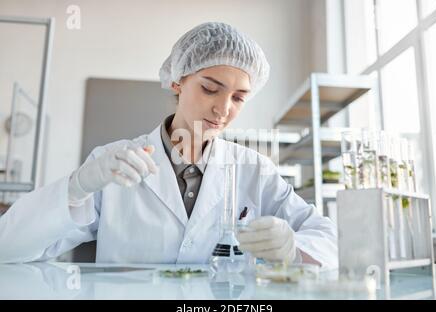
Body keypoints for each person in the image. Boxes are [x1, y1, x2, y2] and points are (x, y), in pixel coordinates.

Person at [0, 22, 337, 269]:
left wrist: (294, 249)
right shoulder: (112, 163)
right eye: (210, 88)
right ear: (178, 82)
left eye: (238, 97)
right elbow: (10, 248)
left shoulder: (255, 170)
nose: (223, 109)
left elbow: (328, 238)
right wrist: (76, 189)